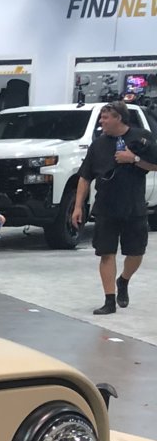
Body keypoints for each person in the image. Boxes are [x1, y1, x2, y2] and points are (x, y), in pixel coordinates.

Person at [72, 100, 157, 314]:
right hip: (106, 205)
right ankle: (109, 300)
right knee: (106, 253)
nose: (101, 122)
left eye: (105, 117)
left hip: (133, 205)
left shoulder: (142, 137)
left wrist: (134, 159)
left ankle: (124, 280)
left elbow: (155, 165)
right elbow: (84, 177)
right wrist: (78, 206)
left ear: (118, 118)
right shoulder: (98, 145)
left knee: (136, 253)